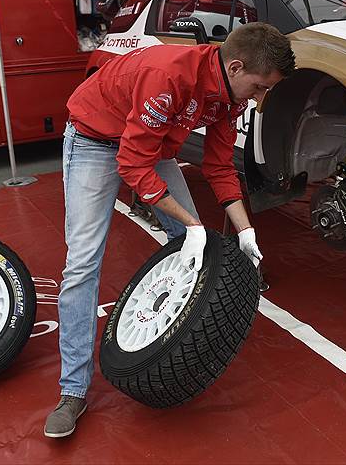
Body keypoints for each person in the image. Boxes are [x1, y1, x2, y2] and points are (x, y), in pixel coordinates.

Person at [44, 22, 295, 438]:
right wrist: (195, 223)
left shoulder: (231, 96)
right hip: (95, 140)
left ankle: (182, 338)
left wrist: (246, 231)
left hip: (150, 146)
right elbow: (132, 166)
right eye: (259, 88)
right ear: (235, 67)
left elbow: (217, 166)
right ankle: (72, 392)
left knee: (189, 245)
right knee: (83, 265)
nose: (260, 99)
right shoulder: (168, 77)